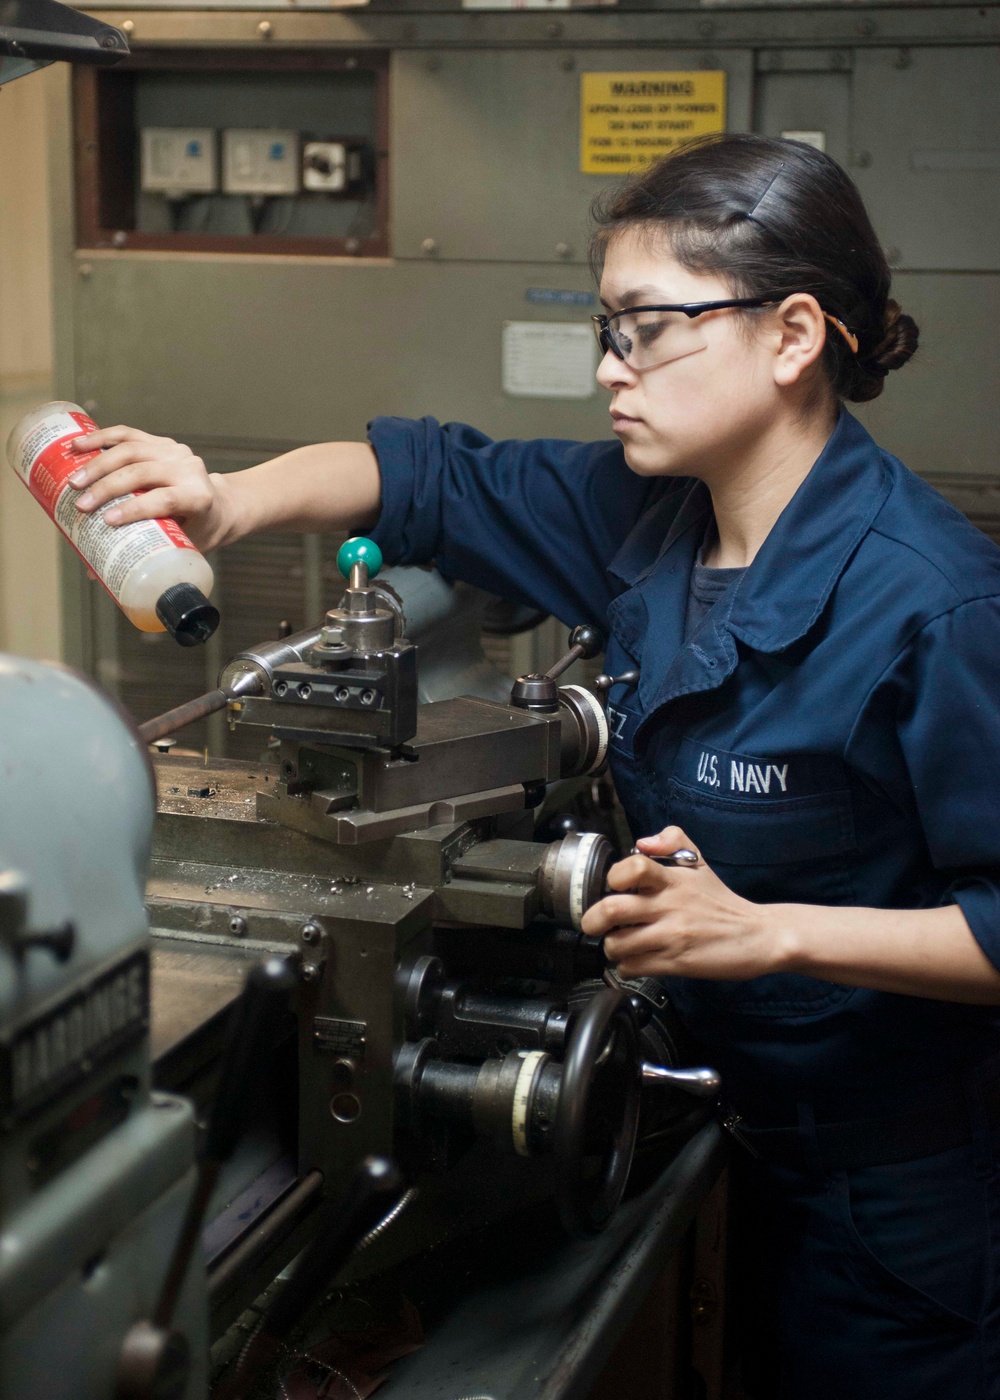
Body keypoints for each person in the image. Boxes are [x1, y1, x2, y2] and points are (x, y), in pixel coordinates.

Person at [66, 133, 1000, 1397]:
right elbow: (421, 477)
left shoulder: (933, 603)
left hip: (886, 1207)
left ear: (791, 336)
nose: (612, 371)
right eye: (606, 329)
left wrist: (772, 930)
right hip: (692, 1123)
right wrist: (224, 502)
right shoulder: (639, 509)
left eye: (650, 329)